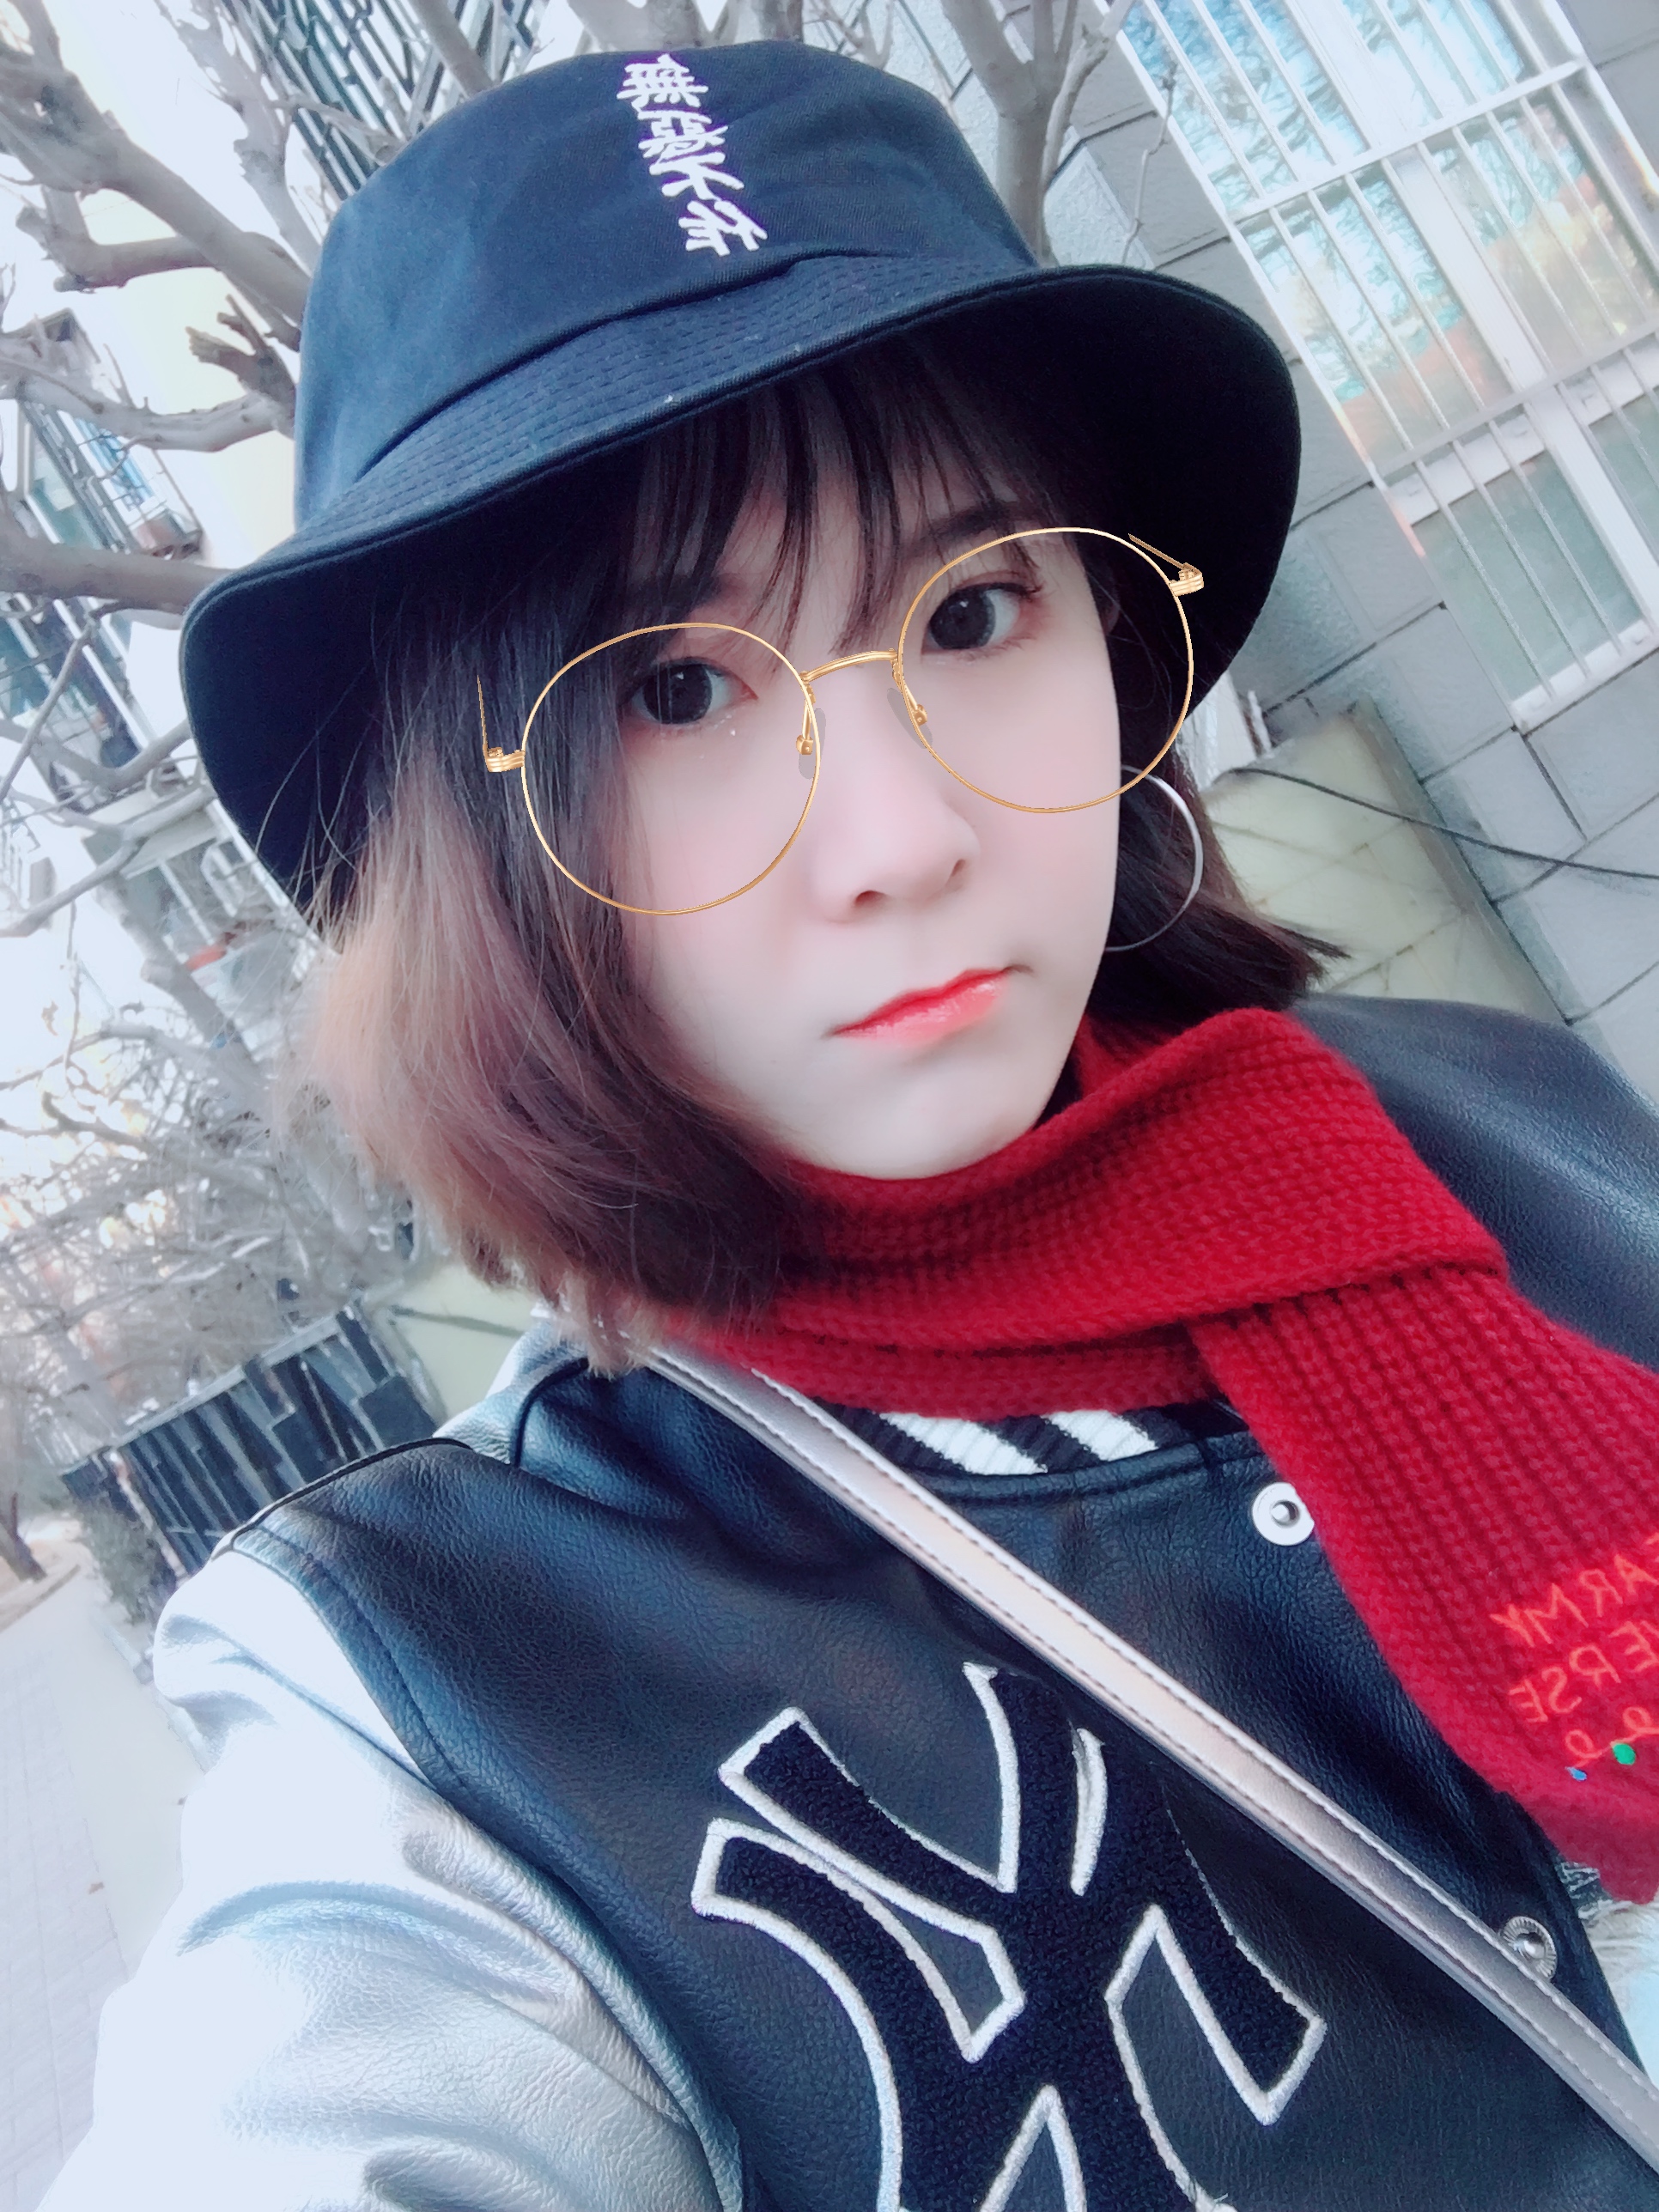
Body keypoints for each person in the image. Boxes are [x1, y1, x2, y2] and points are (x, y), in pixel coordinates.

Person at [45, 41, 1659, 2212]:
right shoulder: (454, 1701)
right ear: (459, 842)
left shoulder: (1510, 1121)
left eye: (972, 610)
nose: (902, 835)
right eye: (673, 689)